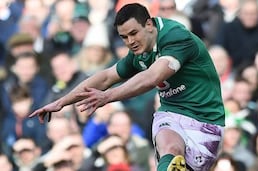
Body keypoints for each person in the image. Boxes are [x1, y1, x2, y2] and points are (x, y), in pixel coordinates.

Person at [29, 3, 225, 171]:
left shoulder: (176, 36)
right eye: (124, 37)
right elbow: (105, 77)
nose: (130, 41)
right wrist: (62, 101)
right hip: (171, 111)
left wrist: (107, 97)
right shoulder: (139, 52)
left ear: (149, 24)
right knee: (171, 150)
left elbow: (152, 77)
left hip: (205, 119)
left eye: (133, 33)